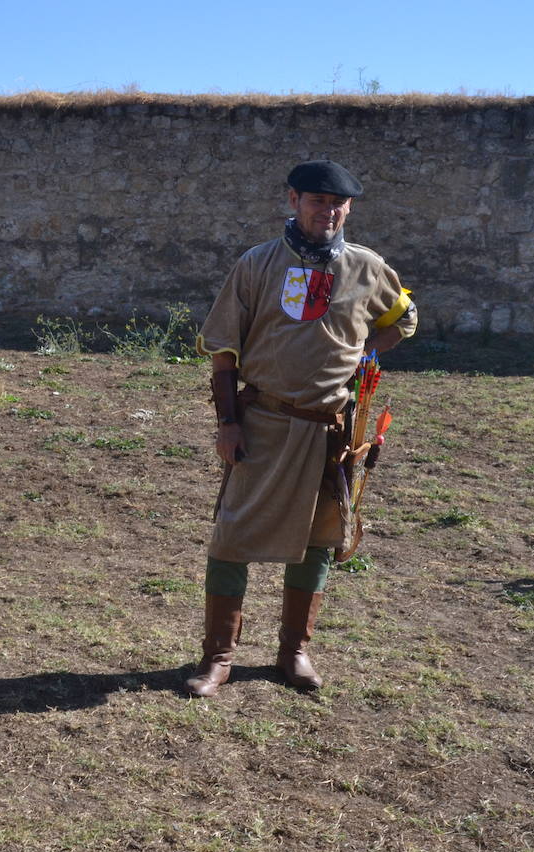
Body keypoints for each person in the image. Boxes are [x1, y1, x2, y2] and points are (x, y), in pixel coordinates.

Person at [185, 159, 418, 697]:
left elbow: (402, 318)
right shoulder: (257, 264)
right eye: (316, 200)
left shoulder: (367, 267)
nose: (327, 211)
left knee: (318, 540)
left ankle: (294, 652)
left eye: (337, 203)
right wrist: (227, 423)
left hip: (331, 431)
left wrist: (367, 352)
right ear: (293, 201)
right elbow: (224, 351)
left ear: (349, 208)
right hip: (263, 420)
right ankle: (218, 657)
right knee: (232, 536)